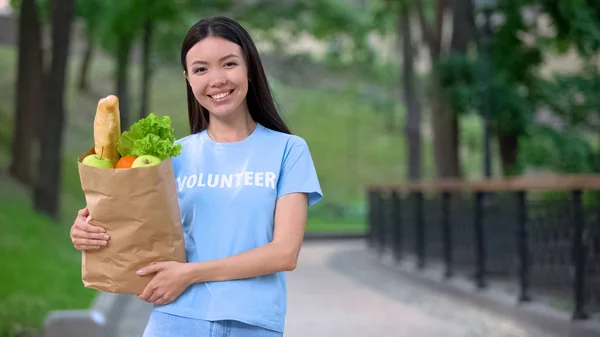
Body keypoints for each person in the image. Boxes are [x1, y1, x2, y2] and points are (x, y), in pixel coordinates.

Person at [69, 16, 323, 337]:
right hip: (175, 320)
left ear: (250, 68)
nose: (217, 79)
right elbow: (135, 231)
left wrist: (190, 274)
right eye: (201, 69)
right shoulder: (170, 157)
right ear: (188, 78)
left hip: (254, 325)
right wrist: (89, 231)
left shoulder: (288, 150)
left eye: (229, 64)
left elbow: (284, 253)